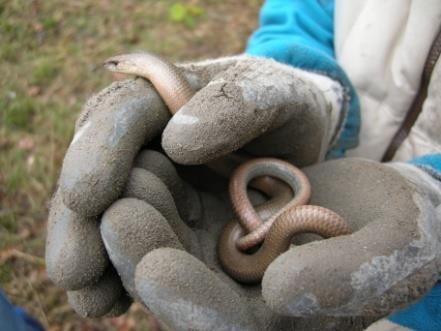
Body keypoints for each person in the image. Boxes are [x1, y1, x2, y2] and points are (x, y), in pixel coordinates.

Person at [45, 0, 441, 330]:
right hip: (297, 186)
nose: (114, 67)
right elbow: (303, 13)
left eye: (119, 64)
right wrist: (308, 85)